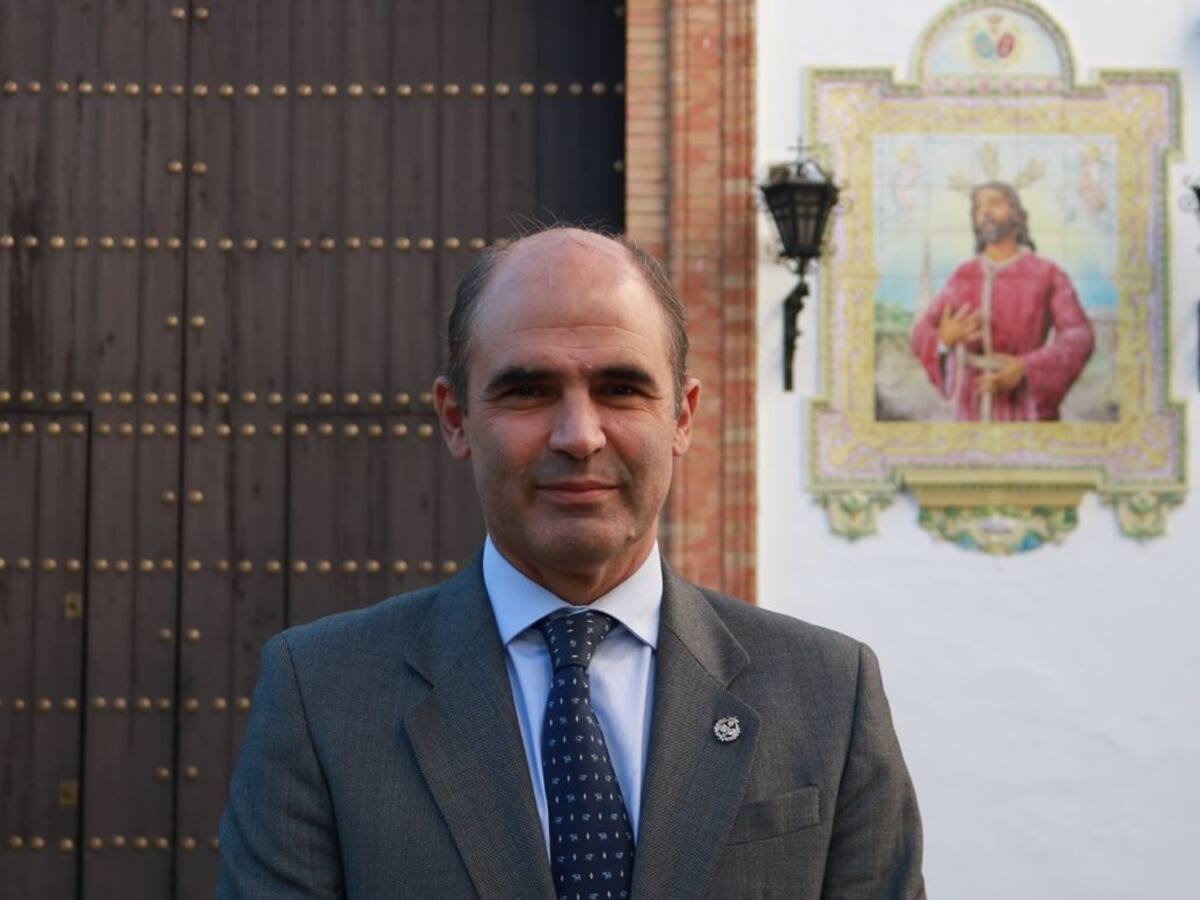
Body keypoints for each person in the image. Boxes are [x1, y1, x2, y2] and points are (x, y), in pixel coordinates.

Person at [217, 226, 925, 899]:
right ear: (456, 418)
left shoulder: (830, 695)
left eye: (621, 389)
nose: (579, 436)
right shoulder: (323, 697)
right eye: (528, 390)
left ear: (681, 416)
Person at [910, 181, 1095, 421]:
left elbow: (1079, 336)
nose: (985, 211)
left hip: (1026, 407)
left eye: (994, 203)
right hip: (972, 405)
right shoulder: (963, 276)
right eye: (978, 207)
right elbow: (921, 332)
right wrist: (944, 340)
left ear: (1016, 214)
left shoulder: (1047, 274)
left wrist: (1027, 367)